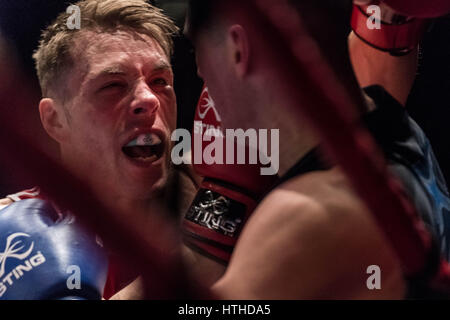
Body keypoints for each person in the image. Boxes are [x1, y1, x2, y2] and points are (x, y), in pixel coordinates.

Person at [181, 0, 450, 299]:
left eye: (197, 51)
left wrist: (211, 209)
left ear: (238, 49)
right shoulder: (402, 134)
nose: (200, 71)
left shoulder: (309, 215)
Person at [0, 0, 198, 299]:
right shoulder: (9, 228)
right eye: (113, 86)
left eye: (160, 82)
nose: (149, 98)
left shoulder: (222, 199)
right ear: (55, 120)